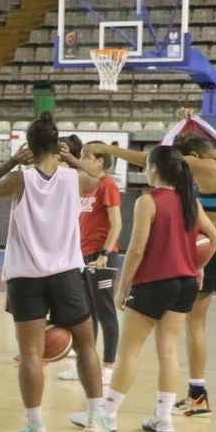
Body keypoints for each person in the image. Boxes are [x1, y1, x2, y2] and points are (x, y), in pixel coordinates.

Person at [87, 109, 216, 417]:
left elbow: (155, 160)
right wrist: (196, 121)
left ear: (188, 153)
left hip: (210, 244)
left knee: (196, 323)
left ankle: (197, 394)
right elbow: (215, 141)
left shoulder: (196, 165)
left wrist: (107, 149)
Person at [0, 111, 113, 432]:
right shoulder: (71, 178)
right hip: (66, 273)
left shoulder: (20, 178)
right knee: (85, 345)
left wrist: (10, 161)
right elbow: (97, 176)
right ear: (58, 146)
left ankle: (35, 428)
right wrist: (74, 160)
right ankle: (97, 417)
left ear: (29, 146)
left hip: (27, 277)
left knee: (30, 355)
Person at [68, 146, 216, 432]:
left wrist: (123, 288)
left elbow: (136, 251)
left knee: (129, 352)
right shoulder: (191, 202)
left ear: (155, 169)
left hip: (154, 281)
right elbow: (213, 237)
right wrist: (198, 266)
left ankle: (107, 416)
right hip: (185, 283)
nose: (145, 170)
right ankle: (163, 417)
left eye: (147, 165)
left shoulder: (148, 202)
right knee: (169, 351)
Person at [59, 137, 122, 384]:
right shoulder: (84, 184)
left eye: (87, 156)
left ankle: (108, 365)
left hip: (101, 255)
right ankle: (86, 363)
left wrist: (105, 254)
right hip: (80, 254)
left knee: (105, 310)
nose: (83, 160)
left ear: (100, 161)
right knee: (85, 313)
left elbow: (117, 224)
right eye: (82, 155)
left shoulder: (107, 185)